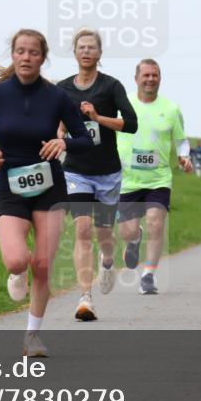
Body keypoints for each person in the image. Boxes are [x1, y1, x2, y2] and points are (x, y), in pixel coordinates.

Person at [0, 29, 92, 355]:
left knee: (44, 266)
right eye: (20, 51)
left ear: (42, 58)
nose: (26, 57)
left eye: (33, 52)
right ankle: (18, 273)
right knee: (18, 260)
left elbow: (86, 138)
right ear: (13, 55)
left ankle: (32, 336)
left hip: (49, 185)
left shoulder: (57, 97)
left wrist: (64, 141)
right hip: (10, 183)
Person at [56, 28, 137, 322]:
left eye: (92, 48)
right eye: (82, 47)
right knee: (82, 229)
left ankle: (107, 261)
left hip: (107, 173)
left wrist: (97, 118)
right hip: (76, 170)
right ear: (75, 52)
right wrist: (59, 136)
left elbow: (131, 124)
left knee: (104, 236)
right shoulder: (63, 88)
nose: (87, 51)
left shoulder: (111, 86)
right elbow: (58, 123)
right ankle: (85, 298)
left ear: (100, 54)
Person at [116, 59, 193, 295]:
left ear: (160, 78)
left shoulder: (170, 108)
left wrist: (184, 156)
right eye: (146, 75)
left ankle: (148, 275)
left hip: (158, 178)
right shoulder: (122, 105)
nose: (151, 79)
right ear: (137, 78)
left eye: (155, 75)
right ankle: (134, 238)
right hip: (127, 179)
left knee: (156, 223)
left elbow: (181, 140)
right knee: (126, 232)